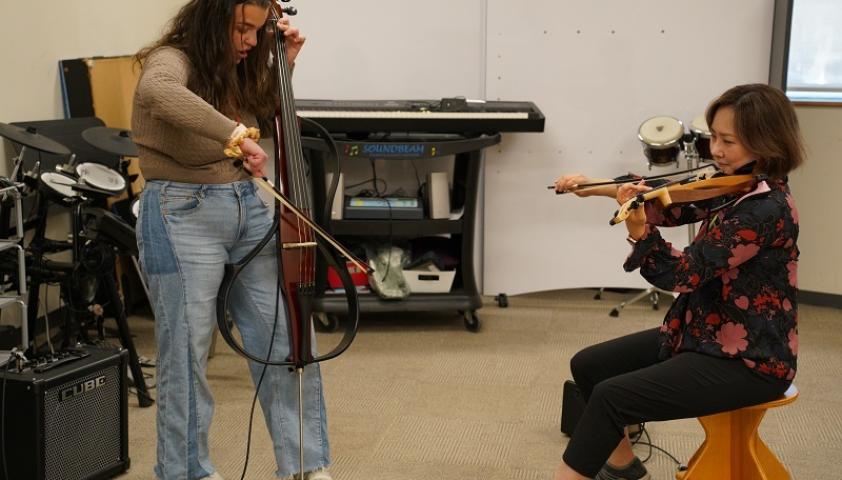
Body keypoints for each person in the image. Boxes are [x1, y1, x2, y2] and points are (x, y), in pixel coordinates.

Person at [551, 83, 804, 480]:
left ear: (766, 142)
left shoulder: (765, 209)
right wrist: (591, 188)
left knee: (610, 398)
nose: (715, 150)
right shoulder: (737, 182)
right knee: (590, 366)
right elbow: (666, 199)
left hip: (749, 359)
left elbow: (683, 275)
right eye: (714, 138)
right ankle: (623, 469)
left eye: (728, 141)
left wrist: (638, 234)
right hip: (702, 331)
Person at [131, 1, 333, 479]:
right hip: (182, 213)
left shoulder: (239, 67)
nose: (248, 40)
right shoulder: (172, 58)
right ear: (211, 19)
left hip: (249, 205)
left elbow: (265, 114)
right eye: (241, 28)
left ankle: (306, 465)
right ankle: (188, 472)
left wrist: (284, 64)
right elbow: (157, 91)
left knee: (285, 342)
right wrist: (235, 134)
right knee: (186, 355)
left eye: (256, 31)